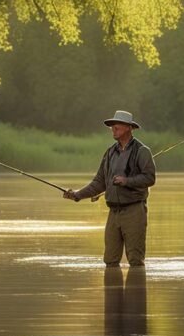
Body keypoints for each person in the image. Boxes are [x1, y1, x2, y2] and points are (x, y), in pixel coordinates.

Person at [64, 110, 156, 266]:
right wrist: (78, 194)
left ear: (128, 127)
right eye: (112, 126)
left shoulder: (142, 151)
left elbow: (150, 178)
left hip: (134, 210)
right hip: (113, 213)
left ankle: (136, 289)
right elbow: (99, 182)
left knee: (135, 260)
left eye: (117, 125)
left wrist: (126, 181)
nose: (113, 128)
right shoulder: (109, 153)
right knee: (110, 260)